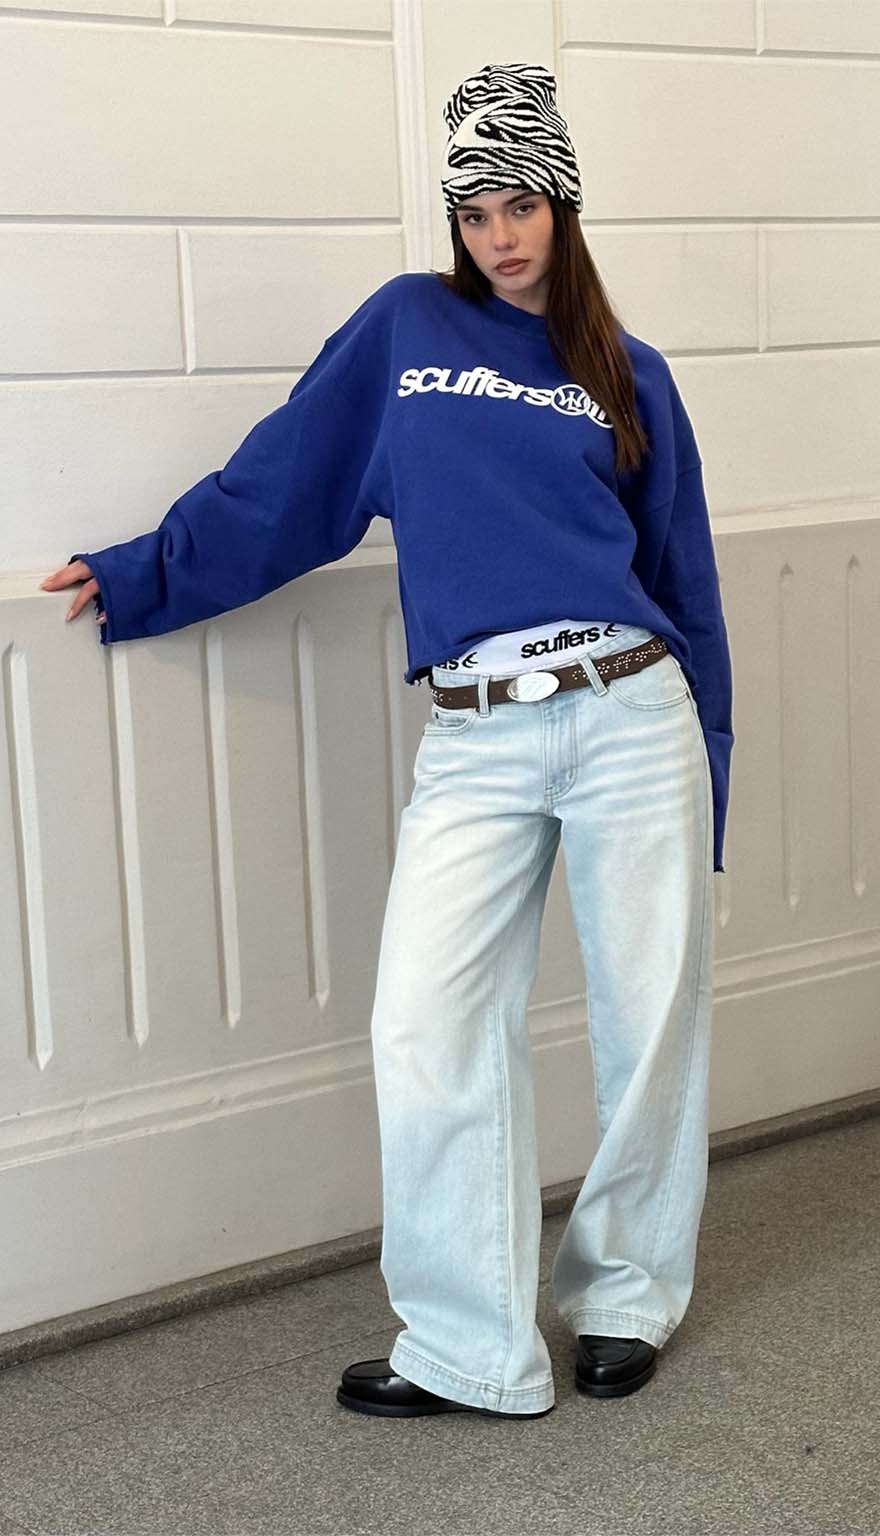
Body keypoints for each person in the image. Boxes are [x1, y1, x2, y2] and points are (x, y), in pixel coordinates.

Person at [39, 60, 733, 1423]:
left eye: (522, 205)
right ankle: (470, 1344)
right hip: (476, 731)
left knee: (652, 1020)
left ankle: (625, 1295)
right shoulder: (408, 328)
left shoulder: (632, 375)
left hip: (631, 709)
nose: (500, 235)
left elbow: (685, 584)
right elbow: (284, 482)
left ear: (565, 205)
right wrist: (142, 572)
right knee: (425, 1023)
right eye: (475, 212)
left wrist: (711, 764)